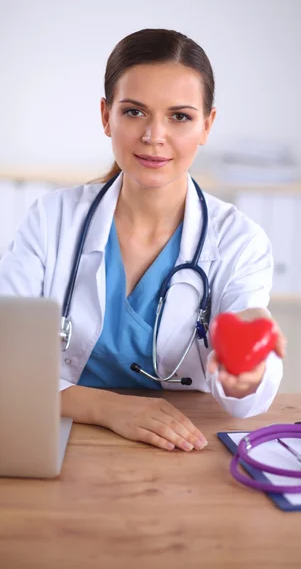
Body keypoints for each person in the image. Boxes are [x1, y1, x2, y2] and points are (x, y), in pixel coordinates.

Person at [0, 28, 286, 453]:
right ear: (105, 116)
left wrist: (249, 372)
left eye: (180, 116)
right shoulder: (52, 220)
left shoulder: (239, 241)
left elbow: (244, 399)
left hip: (178, 444)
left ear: (207, 124)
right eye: (134, 112)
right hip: (60, 436)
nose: (154, 135)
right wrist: (107, 408)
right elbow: (7, 360)